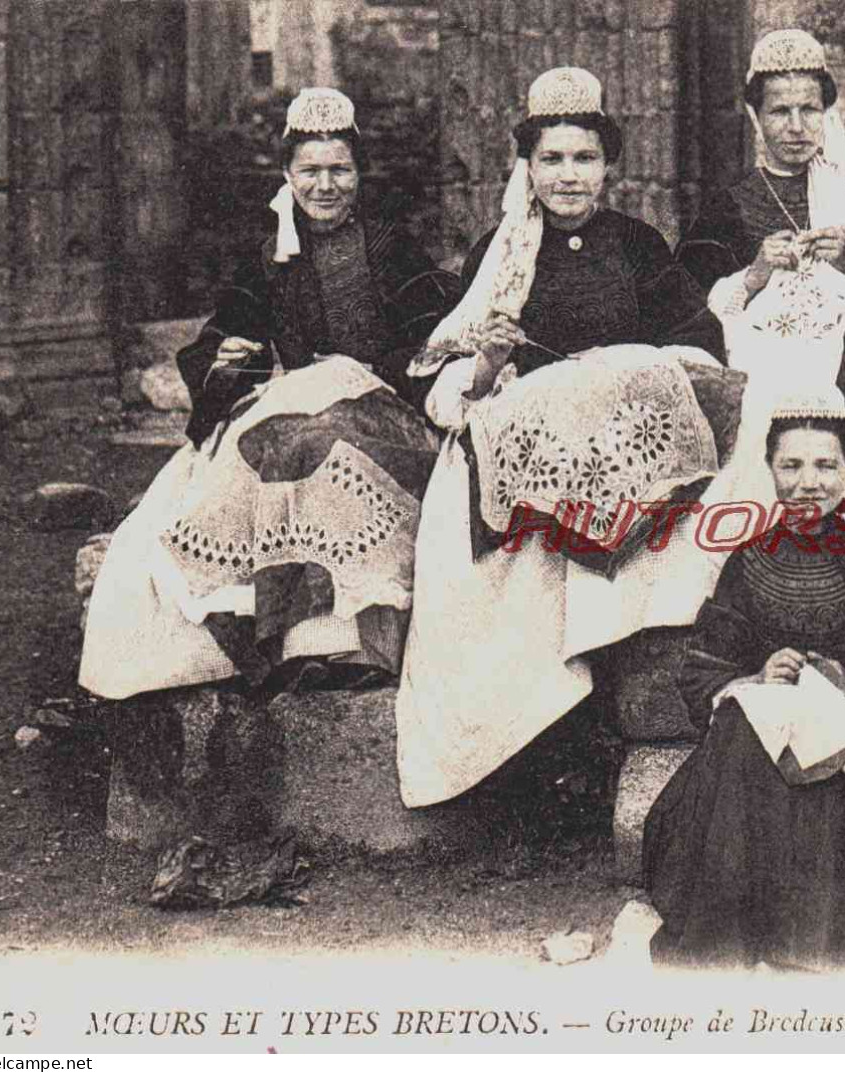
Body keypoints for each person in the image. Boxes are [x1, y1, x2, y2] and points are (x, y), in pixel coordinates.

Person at [395, 68, 729, 807]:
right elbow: (450, 382)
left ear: (609, 167)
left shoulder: (637, 245)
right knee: (495, 557)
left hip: (621, 442)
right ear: (528, 168)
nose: (568, 175)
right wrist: (488, 359)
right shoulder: (501, 252)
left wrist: (632, 371)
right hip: (532, 448)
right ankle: (536, 755)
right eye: (551, 159)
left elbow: (695, 339)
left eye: (583, 158)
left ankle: (620, 719)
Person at [79, 88, 457, 700]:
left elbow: (429, 337)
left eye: (340, 169)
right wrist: (227, 357)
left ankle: (352, 643)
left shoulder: (390, 246)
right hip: (299, 404)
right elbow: (230, 331)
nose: (326, 185)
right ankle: (277, 647)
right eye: (310, 171)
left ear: (359, 173)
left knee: (320, 448)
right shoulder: (270, 253)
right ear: (288, 174)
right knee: (257, 461)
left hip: (387, 406)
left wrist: (371, 371)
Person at [643, 391, 845, 971]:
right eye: (792, 465)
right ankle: (727, 943)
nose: (809, 482)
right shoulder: (748, 562)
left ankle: (810, 942)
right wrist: (759, 678)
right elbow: (704, 678)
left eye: (826, 465)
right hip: (757, 755)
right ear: (771, 473)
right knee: (738, 720)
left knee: (820, 755)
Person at [675, 29, 845, 429]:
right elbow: (687, 309)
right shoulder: (728, 207)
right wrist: (753, 276)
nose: (797, 126)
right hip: (759, 384)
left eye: (810, 110)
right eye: (780, 111)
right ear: (755, 116)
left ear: (827, 113)